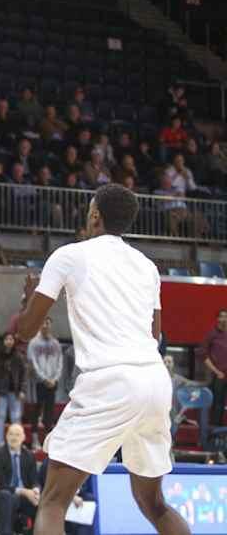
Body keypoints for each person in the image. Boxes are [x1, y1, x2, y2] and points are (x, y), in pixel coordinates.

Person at [16, 183, 190, 535]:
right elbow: (153, 335)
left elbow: (24, 331)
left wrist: (26, 300)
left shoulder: (68, 255)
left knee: (52, 502)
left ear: (94, 214)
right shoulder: (147, 266)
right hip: (155, 381)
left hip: (111, 380)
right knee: (154, 504)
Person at [0, 424, 40, 535]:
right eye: (11, 434)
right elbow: (0, 484)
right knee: (7, 496)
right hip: (6, 493)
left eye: (17, 435)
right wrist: (24, 491)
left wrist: (36, 490)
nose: (14, 438)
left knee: (42, 500)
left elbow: (34, 480)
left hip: (27, 496)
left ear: (23, 437)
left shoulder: (29, 456)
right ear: (6, 437)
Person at [28, 317, 63, 446]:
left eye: (47, 323)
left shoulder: (55, 343)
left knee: (50, 411)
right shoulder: (34, 343)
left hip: (52, 382)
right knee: (37, 409)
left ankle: (48, 441)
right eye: (43, 322)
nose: (45, 325)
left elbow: (60, 362)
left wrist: (55, 378)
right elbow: (33, 363)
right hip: (39, 383)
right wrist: (44, 378)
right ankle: (35, 439)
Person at [0, 333, 26, 445]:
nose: (9, 341)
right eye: (7, 339)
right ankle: (1, 442)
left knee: (16, 417)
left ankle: (18, 441)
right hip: (0, 392)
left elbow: (23, 375)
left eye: (11, 339)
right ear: (3, 341)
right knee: (1, 416)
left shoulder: (18, 357)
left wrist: (22, 390)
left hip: (15, 392)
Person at [201, 309, 227, 426]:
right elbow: (204, 356)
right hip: (218, 375)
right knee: (217, 404)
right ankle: (214, 433)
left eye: (225, 317)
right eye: (221, 317)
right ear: (217, 319)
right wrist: (216, 371)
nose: (223, 319)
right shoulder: (212, 335)